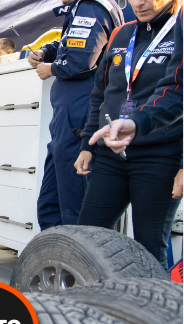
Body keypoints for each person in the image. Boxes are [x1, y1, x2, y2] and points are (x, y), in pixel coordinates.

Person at [74, 0, 183, 266]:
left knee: (148, 249)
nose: (140, 3)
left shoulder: (178, 28)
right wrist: (87, 145)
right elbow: (100, 94)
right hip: (111, 156)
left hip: (159, 158)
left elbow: (178, 93)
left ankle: (152, 295)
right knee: (86, 239)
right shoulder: (121, 34)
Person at [29, 0, 124, 230]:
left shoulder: (91, 7)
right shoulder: (82, 7)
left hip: (79, 113)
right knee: (51, 201)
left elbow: (81, 60)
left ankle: (75, 250)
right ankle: (55, 248)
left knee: (74, 201)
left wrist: (52, 68)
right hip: (68, 115)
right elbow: (71, 44)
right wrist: (46, 51)